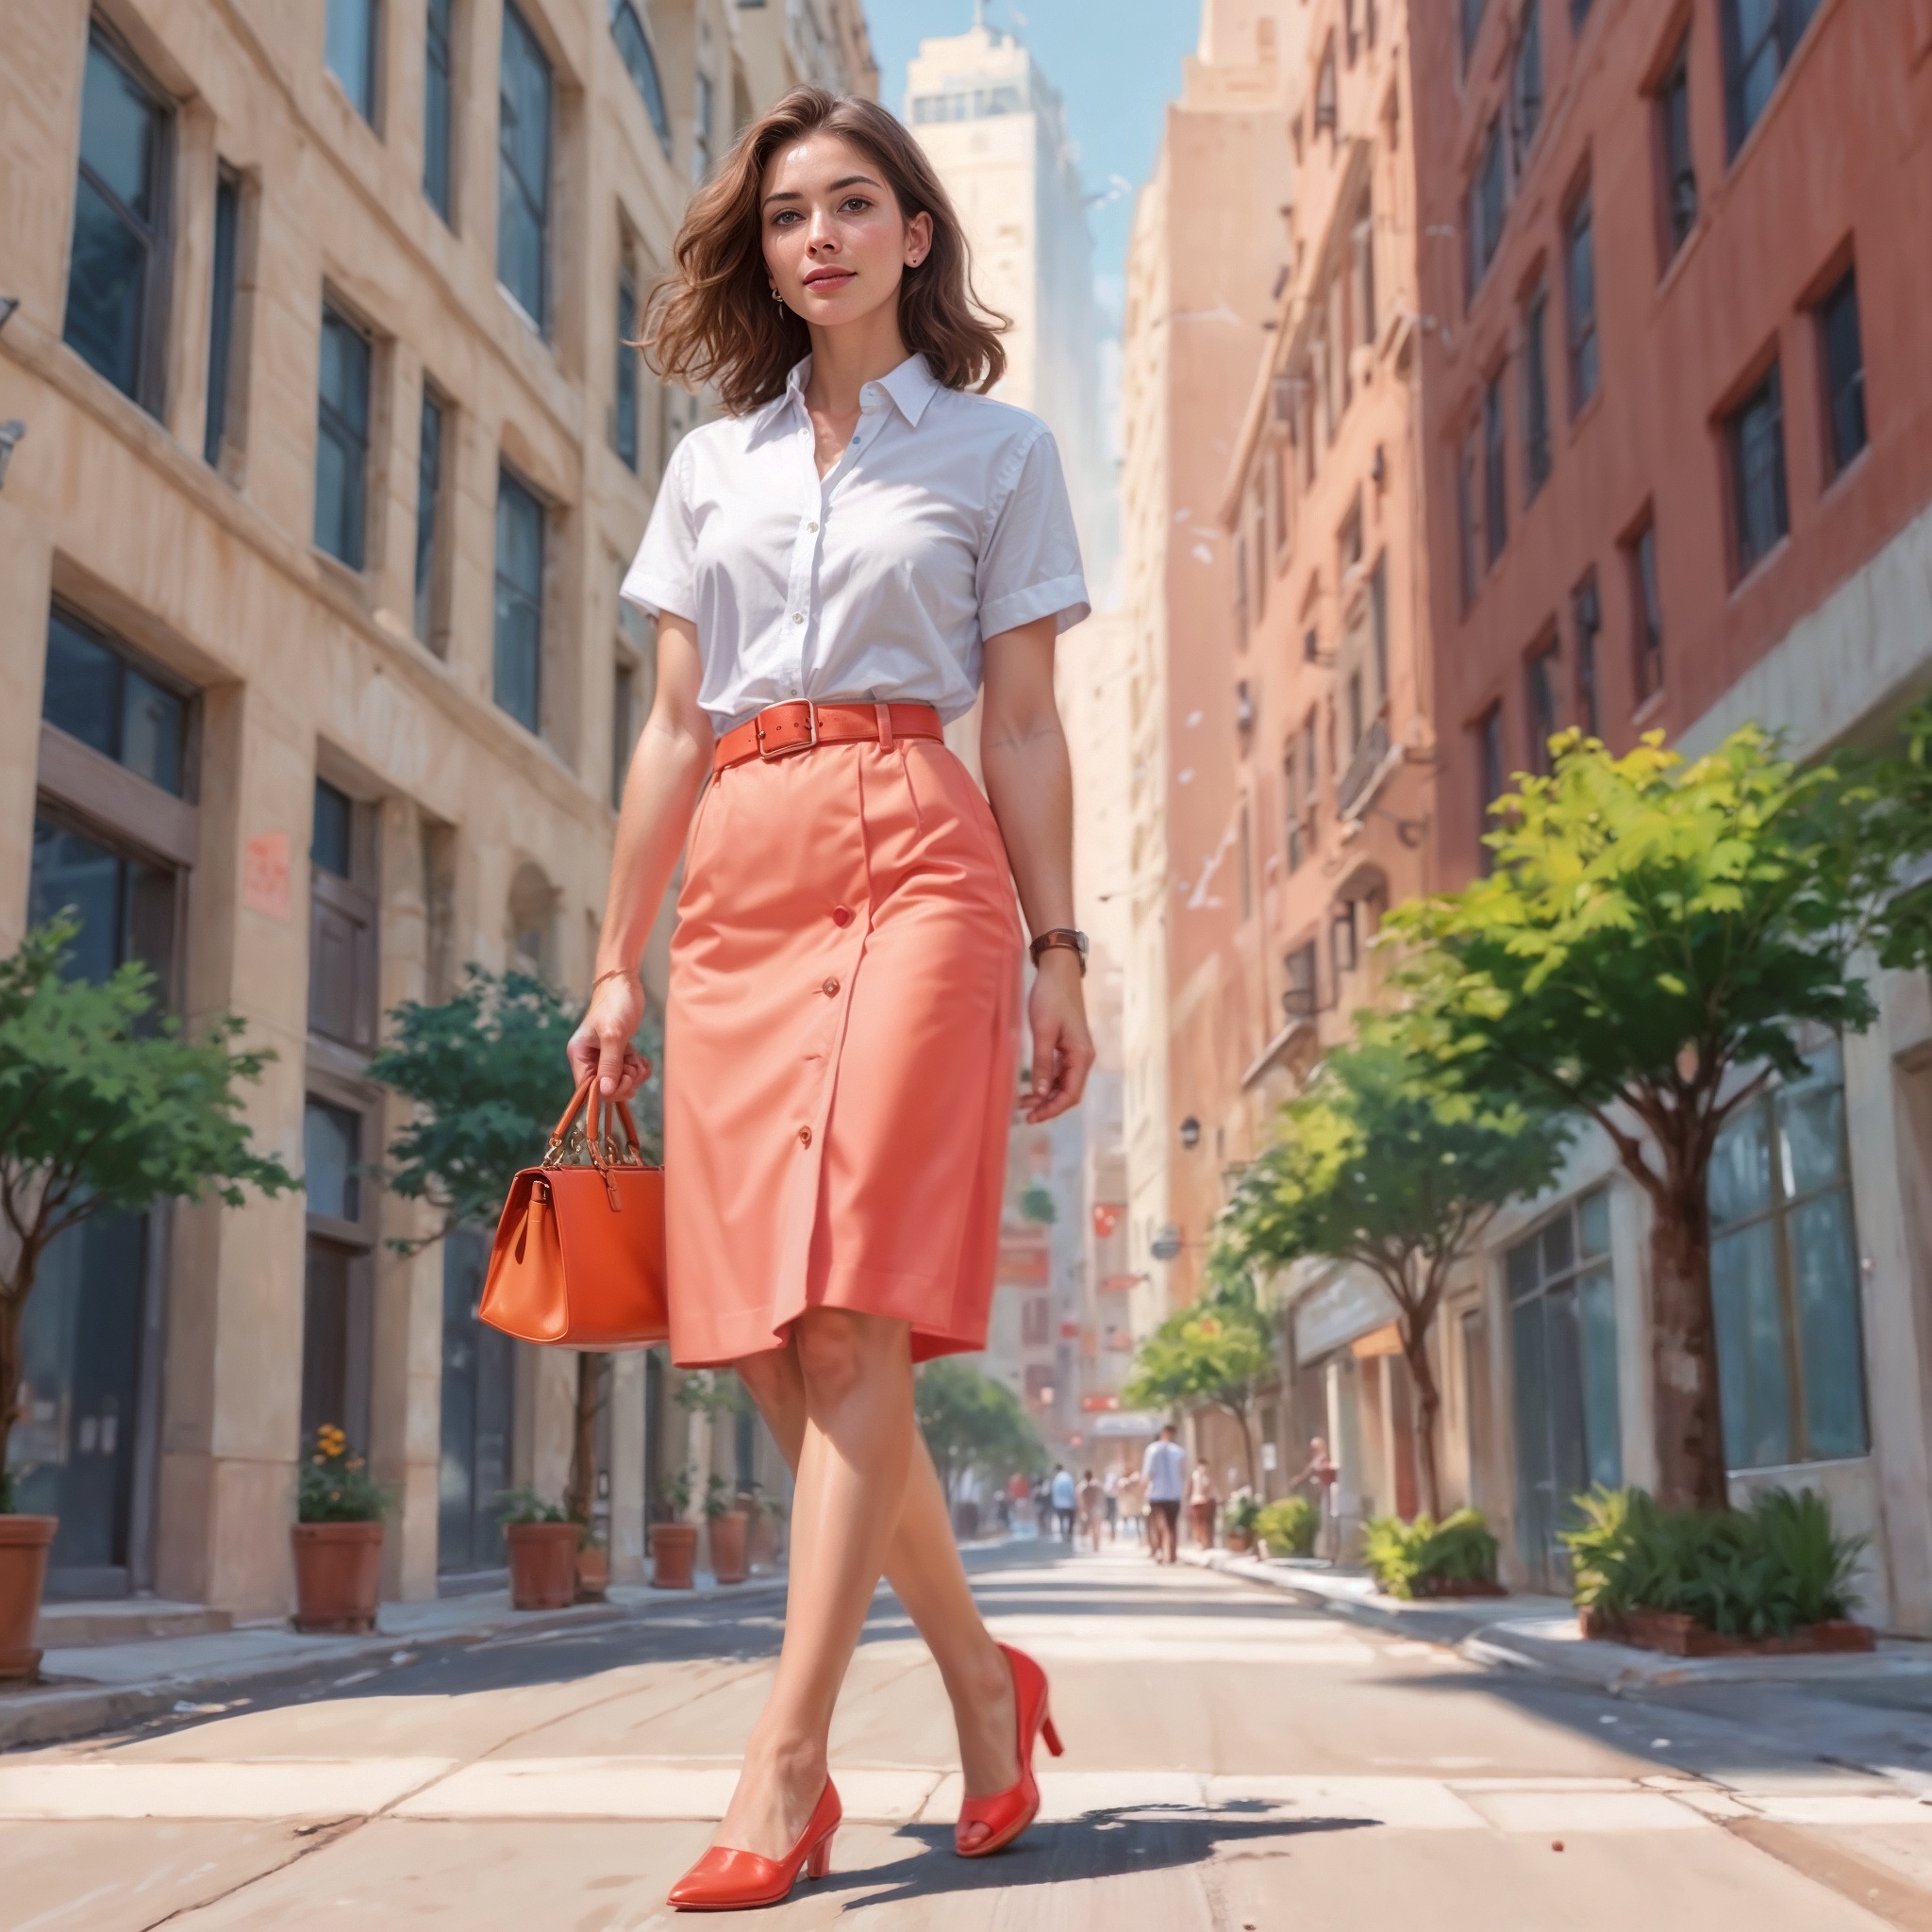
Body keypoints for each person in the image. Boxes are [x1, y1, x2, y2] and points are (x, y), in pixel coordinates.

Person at [573, 87, 1092, 1912]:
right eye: (790, 213)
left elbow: (1020, 722)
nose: (820, 237)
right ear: (767, 252)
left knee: (857, 1311)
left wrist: (1058, 947)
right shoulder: (710, 465)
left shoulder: (996, 451)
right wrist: (614, 961)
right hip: (740, 868)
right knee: (768, 1345)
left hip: (915, 854)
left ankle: (782, 1764)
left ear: (913, 235)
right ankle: (980, 1679)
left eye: (854, 204)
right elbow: (666, 726)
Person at [1141, 1424, 1185, 1563]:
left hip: (1157, 1494)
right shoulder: (1179, 1451)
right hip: (1174, 1494)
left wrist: (1144, 1490)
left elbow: (1148, 1474)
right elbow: (1184, 1472)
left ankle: (1159, 1551)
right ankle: (1172, 1554)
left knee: (1158, 1525)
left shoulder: (1152, 1450)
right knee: (1172, 1526)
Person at [1189, 1457, 1220, 1550]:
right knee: (1199, 1523)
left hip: (1205, 1502)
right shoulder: (1196, 1476)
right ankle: (1201, 1542)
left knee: (1205, 1523)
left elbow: (1211, 1488)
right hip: (1197, 1502)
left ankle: (1205, 1542)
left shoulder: (1206, 1476)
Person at [1077, 1468, 1106, 1553]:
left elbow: (1081, 1501)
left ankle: (1095, 1545)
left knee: (1092, 1528)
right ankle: (1096, 1545)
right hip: (1097, 1508)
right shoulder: (1097, 1485)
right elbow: (1102, 1496)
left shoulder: (1082, 1487)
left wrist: (1082, 1511)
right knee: (1097, 1528)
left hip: (1089, 1509)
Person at [1050, 1463, 1077, 1542]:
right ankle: (1069, 1534)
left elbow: (1055, 1492)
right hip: (1069, 1503)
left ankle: (1063, 1535)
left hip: (1059, 1503)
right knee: (1070, 1520)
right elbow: (1071, 1490)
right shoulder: (1068, 1477)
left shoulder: (1056, 1479)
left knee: (1061, 1520)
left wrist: (1054, 1503)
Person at [1102, 1467, 1120, 1542]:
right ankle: (1110, 1535)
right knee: (1109, 1519)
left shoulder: (1111, 1484)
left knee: (1112, 1519)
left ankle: (1112, 1535)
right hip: (1109, 1501)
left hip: (1112, 1500)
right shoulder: (1108, 1484)